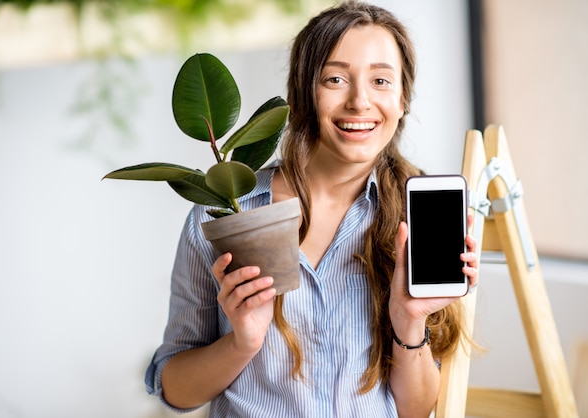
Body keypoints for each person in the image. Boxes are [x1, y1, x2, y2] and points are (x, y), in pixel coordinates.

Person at [145, 1, 479, 416]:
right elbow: (175, 388)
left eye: (380, 80)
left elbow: (415, 410)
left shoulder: (422, 218)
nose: (360, 102)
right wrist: (242, 342)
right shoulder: (225, 215)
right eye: (336, 79)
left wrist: (408, 319)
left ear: (403, 98)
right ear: (303, 93)